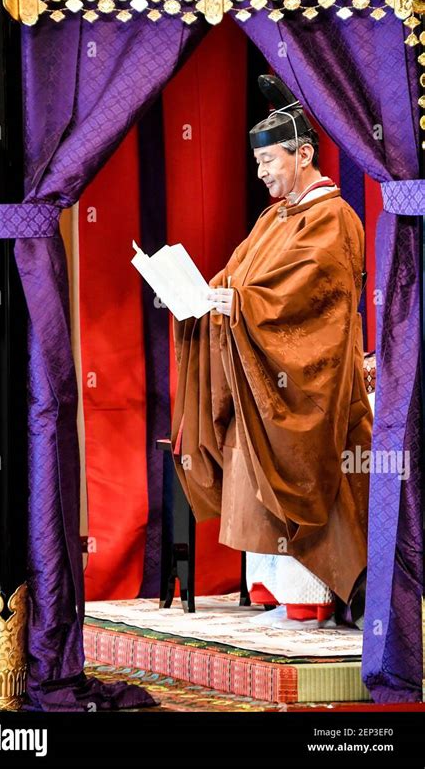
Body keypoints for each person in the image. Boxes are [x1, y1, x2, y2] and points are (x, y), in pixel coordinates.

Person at [170, 76, 372, 628]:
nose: (261, 173)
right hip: (253, 374)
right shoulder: (273, 217)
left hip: (307, 380)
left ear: (304, 154)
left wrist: (237, 304)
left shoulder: (333, 217)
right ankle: (272, 589)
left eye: (270, 161)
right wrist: (200, 294)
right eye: (257, 163)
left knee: (293, 456)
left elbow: (306, 297)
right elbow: (235, 276)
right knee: (248, 462)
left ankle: (314, 593)